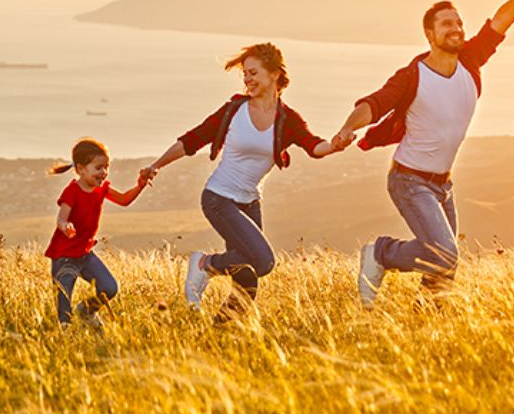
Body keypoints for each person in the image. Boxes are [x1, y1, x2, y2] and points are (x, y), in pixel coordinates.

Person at [331, 0, 514, 306]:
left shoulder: (470, 59)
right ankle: (381, 253)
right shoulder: (412, 76)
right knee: (443, 254)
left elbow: (504, 18)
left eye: (459, 23)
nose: (456, 29)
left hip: (442, 184)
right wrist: (347, 129)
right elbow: (373, 105)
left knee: (444, 272)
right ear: (429, 34)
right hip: (409, 180)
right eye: (446, 24)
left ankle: (429, 324)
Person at [141, 42, 350, 317]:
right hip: (219, 198)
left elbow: (313, 146)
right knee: (263, 261)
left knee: (248, 279)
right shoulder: (234, 111)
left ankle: (222, 331)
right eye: (245, 74)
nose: (248, 79)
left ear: (274, 74)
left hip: (250, 203)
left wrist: (334, 145)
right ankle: (205, 264)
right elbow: (193, 139)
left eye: (253, 73)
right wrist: (156, 165)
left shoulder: (287, 119)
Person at [44, 137, 146, 327]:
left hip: (84, 254)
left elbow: (124, 200)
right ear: (81, 169)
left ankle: (86, 311)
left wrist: (140, 185)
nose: (104, 172)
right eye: (98, 168)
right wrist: (65, 226)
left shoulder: (102, 189)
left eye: (106, 167)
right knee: (64, 301)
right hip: (65, 255)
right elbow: (61, 218)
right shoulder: (72, 191)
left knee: (109, 288)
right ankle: (64, 336)